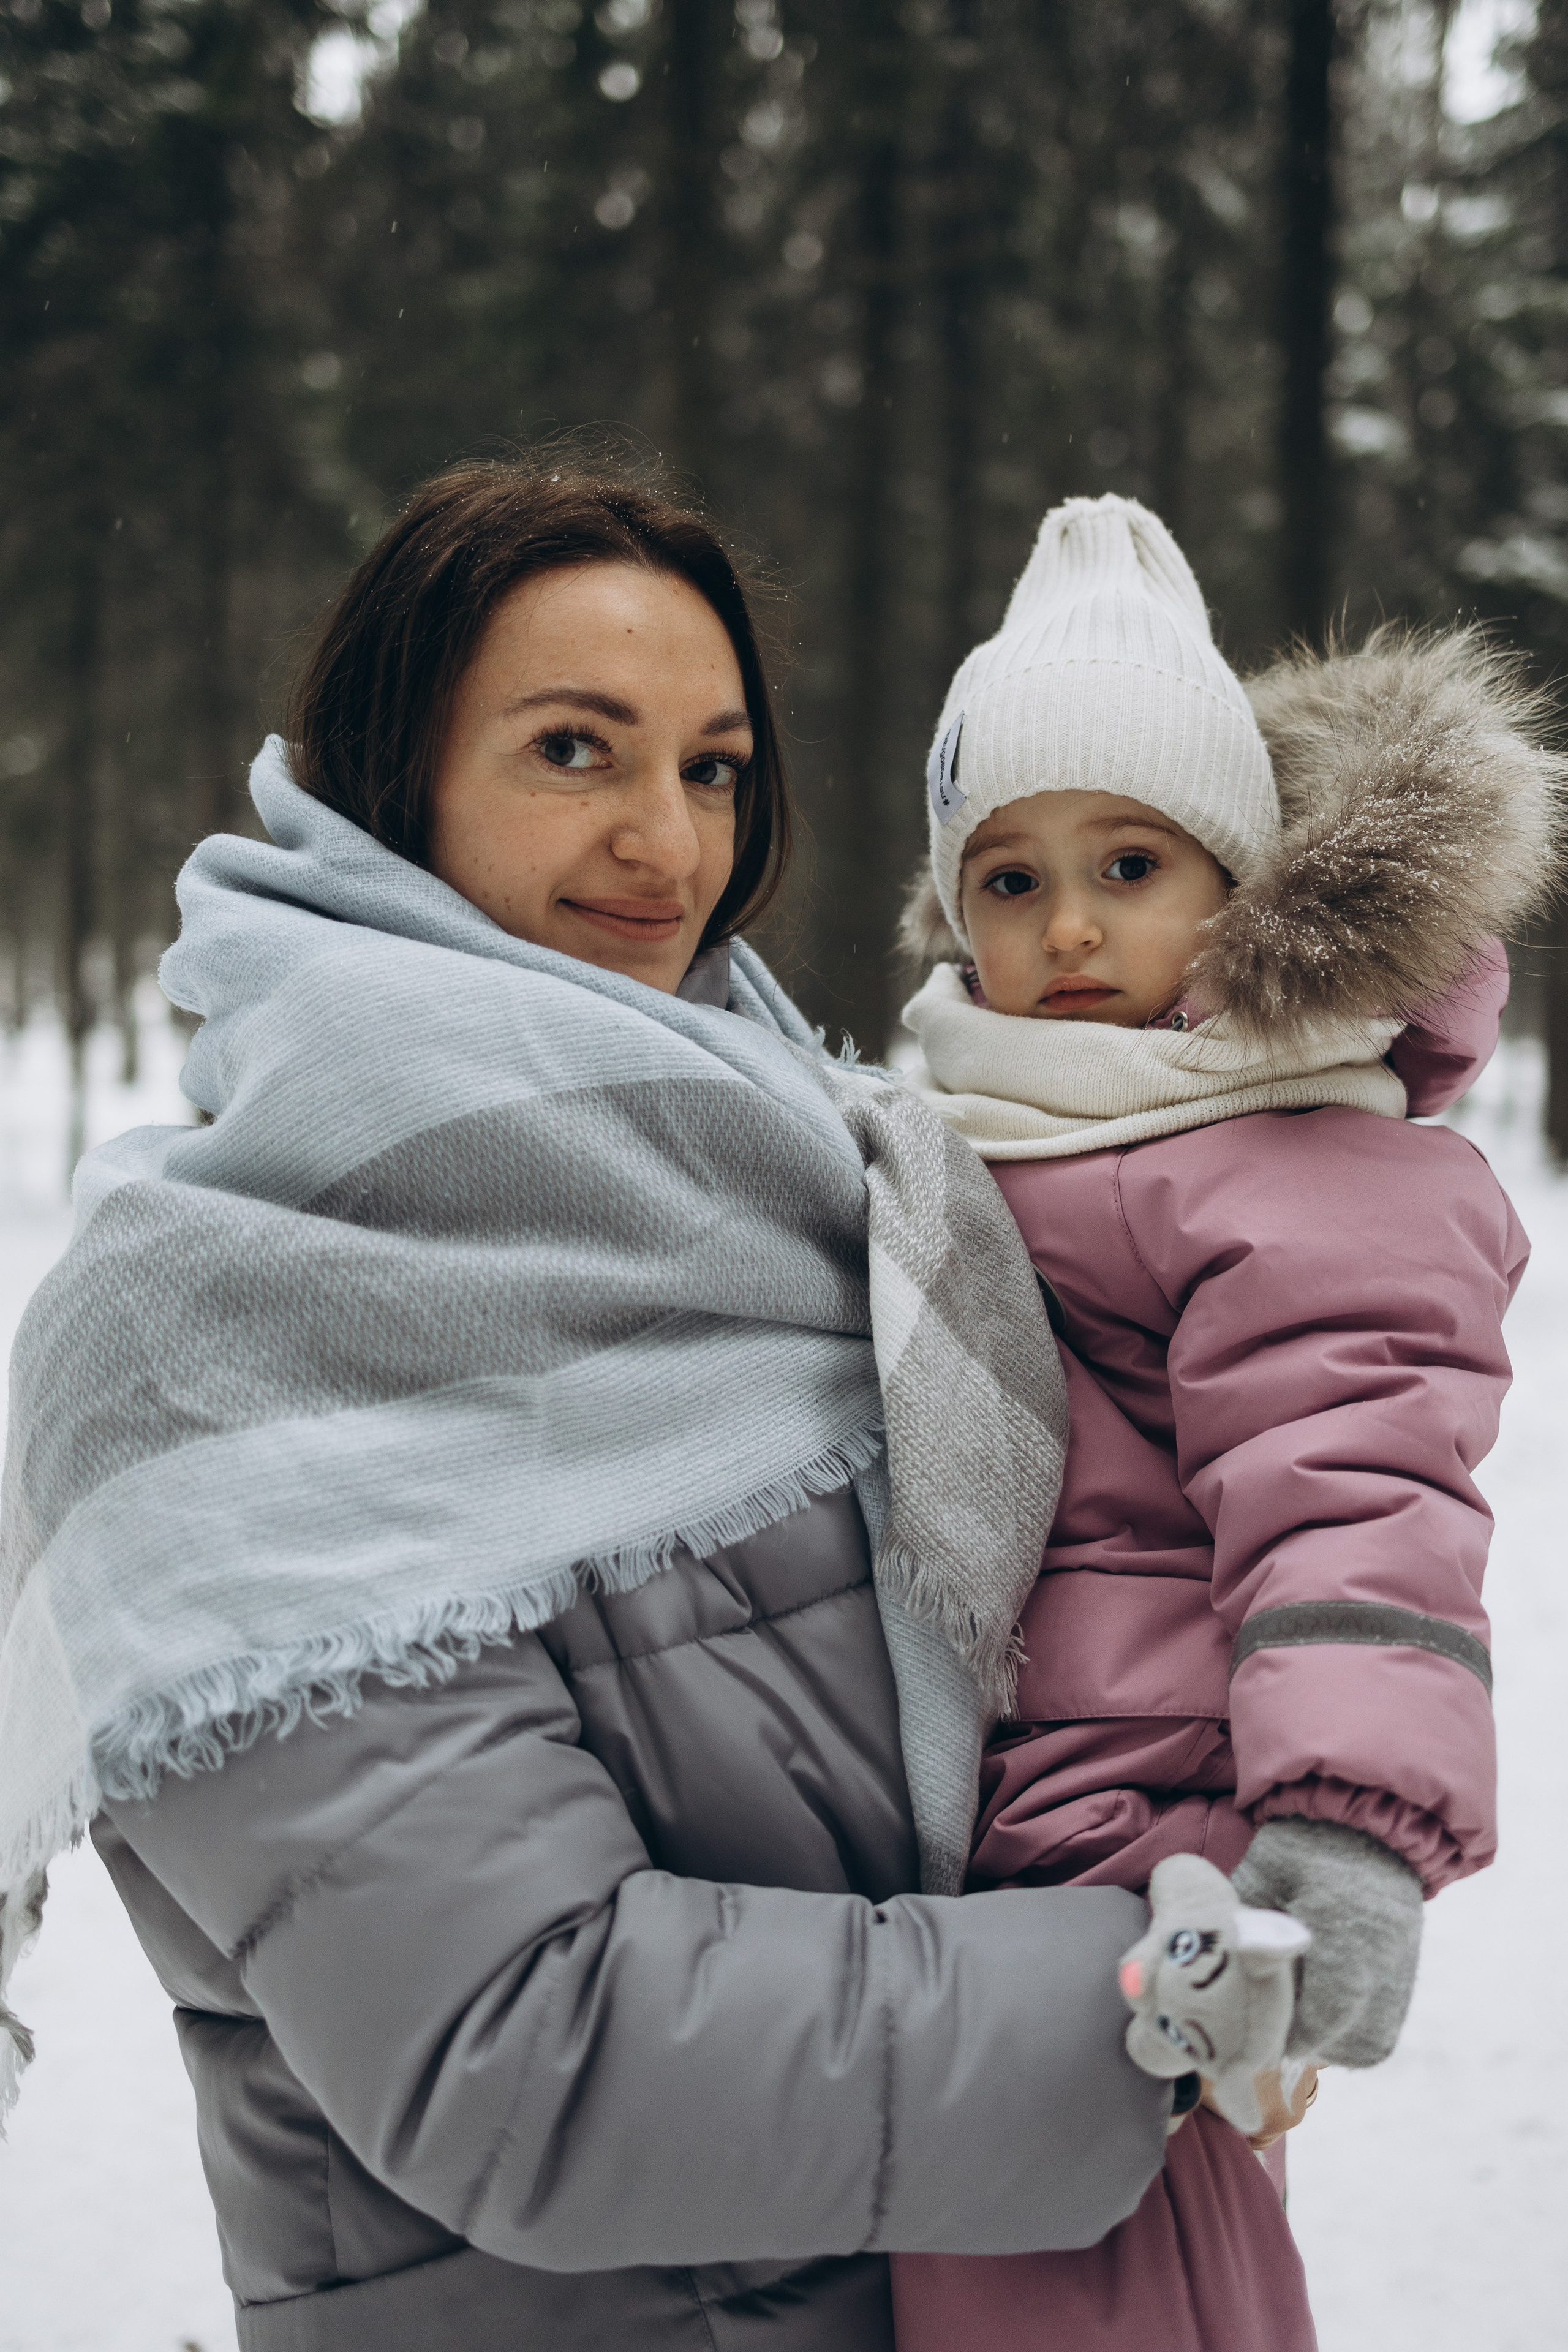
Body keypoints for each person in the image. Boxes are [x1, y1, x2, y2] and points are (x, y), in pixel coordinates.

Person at [0, 461, 1178, 2352]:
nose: (669, 843)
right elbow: (522, 2051)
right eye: (576, 749)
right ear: (396, 781)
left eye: (712, 768)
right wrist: (1146, 2003)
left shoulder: (822, 1191)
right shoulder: (214, 1323)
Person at [889, 494, 1556, 2351]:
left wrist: (1348, 1826)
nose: (1069, 925)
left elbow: (1352, 1490)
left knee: (1101, 2272)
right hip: (986, 1815)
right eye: (1008, 880)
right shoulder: (990, 1114)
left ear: (1240, 889)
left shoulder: (1291, 1159)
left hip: (1152, 1845)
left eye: (1130, 862)